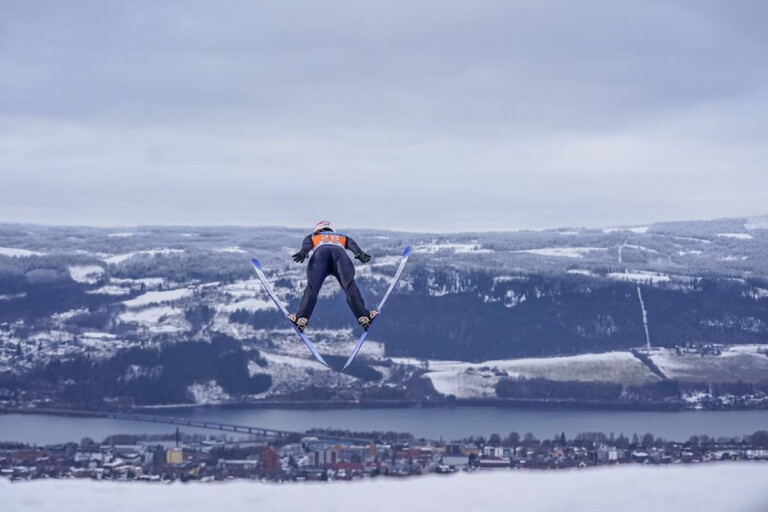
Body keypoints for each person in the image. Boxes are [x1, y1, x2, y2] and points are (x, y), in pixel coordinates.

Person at [289, 220, 377, 332]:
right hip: (340, 256)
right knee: (350, 286)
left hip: (320, 257)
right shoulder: (341, 236)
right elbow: (352, 244)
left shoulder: (313, 236)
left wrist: (303, 251)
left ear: (317, 229)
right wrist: (358, 252)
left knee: (312, 288)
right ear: (332, 230)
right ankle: (363, 316)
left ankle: (301, 318)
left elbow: (307, 244)